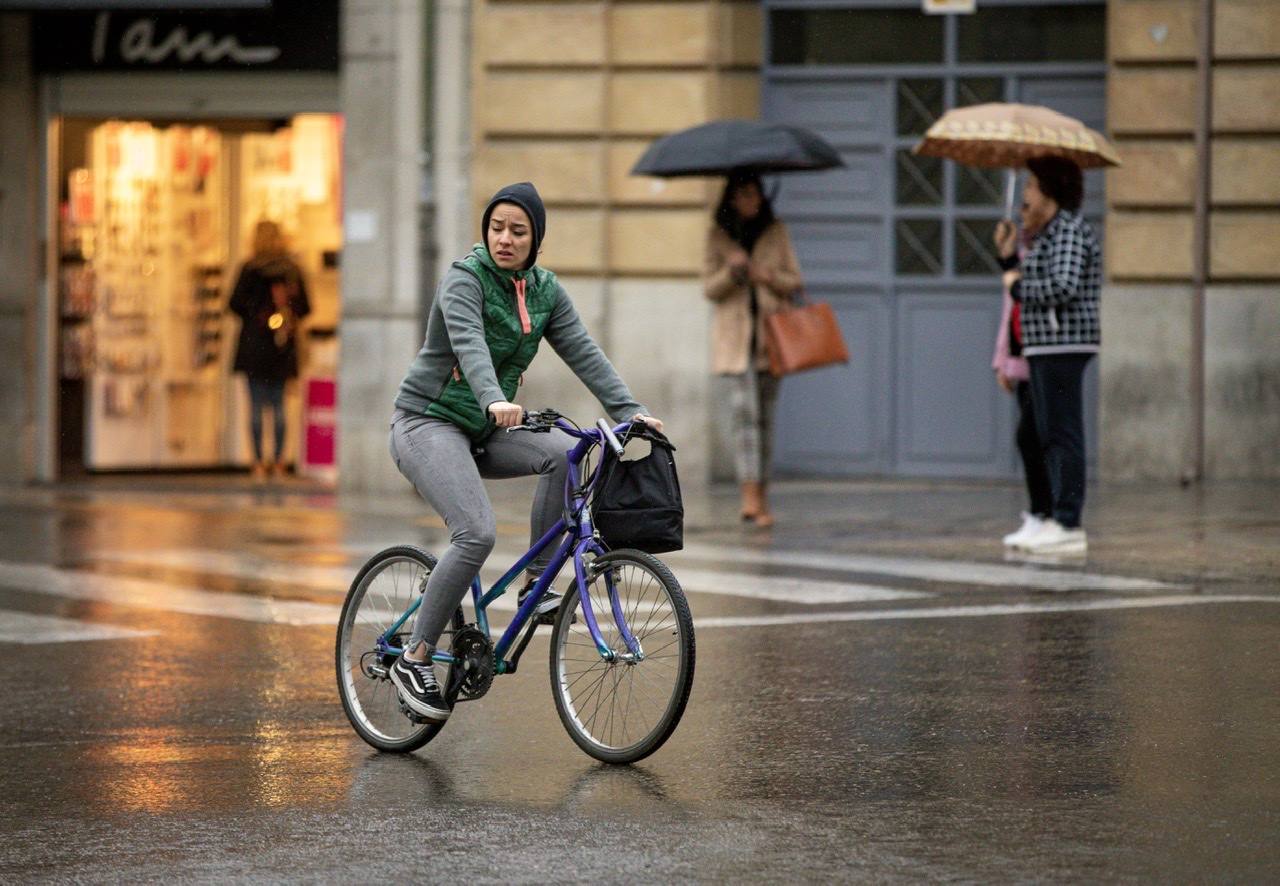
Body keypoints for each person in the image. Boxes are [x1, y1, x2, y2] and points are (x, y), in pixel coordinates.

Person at [387, 181, 663, 723]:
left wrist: (630, 411)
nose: (505, 239)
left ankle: (536, 581)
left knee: (566, 452)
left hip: (485, 428)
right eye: (497, 228)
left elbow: (584, 352)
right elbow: (469, 344)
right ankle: (414, 657)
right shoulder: (464, 280)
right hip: (427, 422)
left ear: (536, 240)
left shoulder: (545, 291)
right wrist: (494, 399)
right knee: (476, 533)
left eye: (518, 231)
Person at [1000, 157, 1101, 555]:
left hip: (1064, 344)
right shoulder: (1048, 234)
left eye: (1031, 186)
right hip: (1044, 344)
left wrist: (1018, 286)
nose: (1025, 194)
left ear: (1049, 190)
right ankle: (1048, 517)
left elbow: (1063, 285)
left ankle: (1068, 522)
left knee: (1062, 435)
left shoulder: (1069, 231)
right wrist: (1009, 258)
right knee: (1039, 433)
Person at [703, 171, 803, 527]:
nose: (751, 200)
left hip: (770, 339)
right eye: (744, 194)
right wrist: (732, 272)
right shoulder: (718, 236)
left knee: (766, 420)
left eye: (755, 193)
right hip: (736, 341)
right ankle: (748, 496)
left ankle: (762, 495)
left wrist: (765, 276)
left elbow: (795, 281)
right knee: (744, 418)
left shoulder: (776, 231)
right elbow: (709, 289)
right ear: (732, 198)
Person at [230, 220, 311, 480]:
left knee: (255, 405)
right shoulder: (291, 270)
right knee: (278, 405)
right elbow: (305, 307)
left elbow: (234, 304)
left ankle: (257, 462)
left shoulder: (249, 269)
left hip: (254, 345)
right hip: (281, 346)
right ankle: (278, 462)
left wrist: (256, 314)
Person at [991, 223, 1053, 548]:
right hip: (1024, 359)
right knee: (1031, 439)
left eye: (1028, 205)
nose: (1023, 213)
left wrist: (1014, 275)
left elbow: (1030, 296)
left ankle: (1047, 514)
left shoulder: (1050, 247)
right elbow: (1009, 312)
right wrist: (1003, 360)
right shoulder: (1024, 253)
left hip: (1047, 355)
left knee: (1033, 437)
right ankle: (1040, 513)